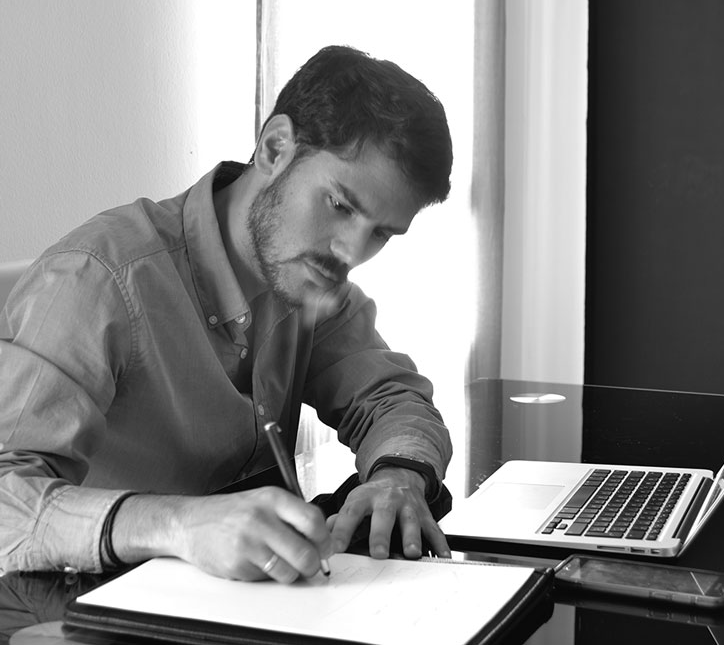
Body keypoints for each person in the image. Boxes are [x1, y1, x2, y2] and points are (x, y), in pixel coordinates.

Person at [0, 45, 454, 583]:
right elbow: (7, 499)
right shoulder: (94, 278)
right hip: (86, 600)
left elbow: (390, 397)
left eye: (380, 233)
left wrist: (398, 474)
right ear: (275, 148)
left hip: (261, 595)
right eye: (340, 205)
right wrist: (179, 525)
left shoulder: (311, 279)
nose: (351, 252)